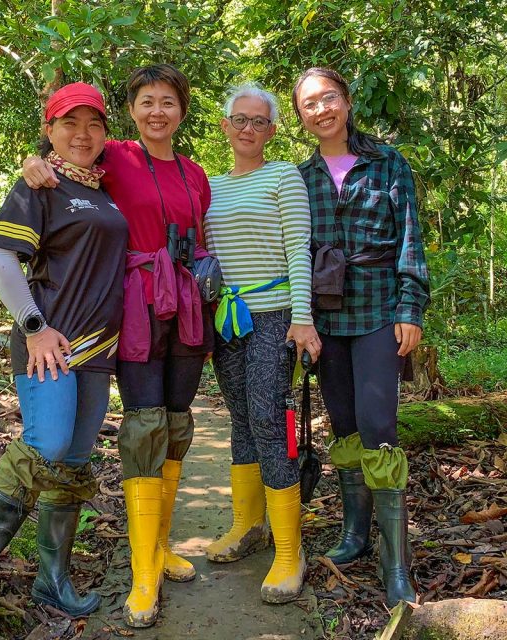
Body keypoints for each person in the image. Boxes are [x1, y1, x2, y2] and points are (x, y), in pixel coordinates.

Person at [22, 63, 210, 628]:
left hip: (187, 306)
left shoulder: (196, 173)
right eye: (148, 101)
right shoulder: (114, 156)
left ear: (181, 111)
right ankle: (142, 574)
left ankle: (160, 547)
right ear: (133, 111)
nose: (158, 112)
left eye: (169, 103)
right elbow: (61, 161)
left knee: (177, 423)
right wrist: (31, 164)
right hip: (131, 307)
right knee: (144, 424)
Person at [0, 82, 127, 621]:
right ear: (49, 130)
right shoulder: (38, 186)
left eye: (93, 123)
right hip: (48, 345)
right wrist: (33, 326)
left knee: (72, 462)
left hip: (98, 350)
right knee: (46, 444)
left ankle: (54, 579)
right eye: (69, 123)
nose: (82, 133)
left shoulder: (104, 187)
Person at [292, 67, 429, 608]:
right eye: (309, 104)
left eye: (328, 98)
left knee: (379, 426)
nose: (321, 109)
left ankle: (397, 564)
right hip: (326, 316)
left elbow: (409, 239)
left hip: (378, 310)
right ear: (300, 116)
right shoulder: (299, 177)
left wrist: (410, 307)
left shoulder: (387, 162)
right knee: (344, 423)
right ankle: (355, 535)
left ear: (346, 102)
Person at [201, 83, 318, 604]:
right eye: (239, 119)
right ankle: (249, 525)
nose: (248, 128)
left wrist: (303, 318)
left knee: (271, 417)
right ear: (224, 126)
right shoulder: (210, 186)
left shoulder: (283, 176)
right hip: (228, 317)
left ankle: (290, 550)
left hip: (275, 315)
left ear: (271, 130)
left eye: (259, 121)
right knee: (241, 417)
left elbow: (299, 248)